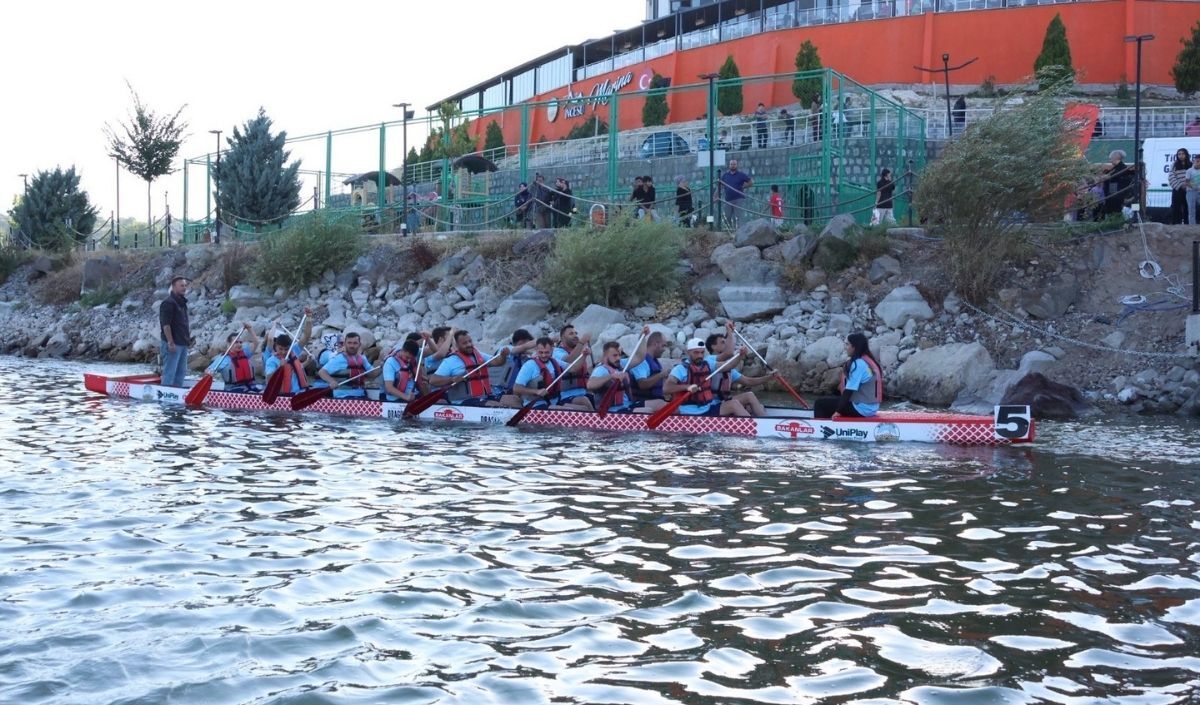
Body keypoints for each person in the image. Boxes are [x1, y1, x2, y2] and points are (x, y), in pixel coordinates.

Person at [662, 338, 756, 417]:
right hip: (689, 412)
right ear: (688, 352)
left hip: (707, 408)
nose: (700, 356)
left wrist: (740, 356)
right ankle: (754, 427)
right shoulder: (680, 369)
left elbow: (728, 365)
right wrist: (687, 387)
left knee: (734, 404)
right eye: (696, 353)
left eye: (702, 352)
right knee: (734, 405)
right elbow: (666, 388)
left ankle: (757, 424)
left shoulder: (708, 365)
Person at [429, 330, 510, 406]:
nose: (469, 345)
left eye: (470, 341)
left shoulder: (479, 355)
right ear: (457, 345)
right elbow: (433, 380)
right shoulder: (450, 361)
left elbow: (498, 362)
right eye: (464, 343)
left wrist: (503, 356)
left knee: (511, 399)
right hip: (463, 401)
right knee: (493, 404)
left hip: (484, 397)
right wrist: (451, 379)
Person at [586, 329, 658, 414]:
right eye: (615, 355)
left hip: (627, 405)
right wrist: (612, 376)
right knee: (647, 411)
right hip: (612, 411)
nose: (618, 358)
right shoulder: (601, 370)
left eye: (619, 355)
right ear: (605, 356)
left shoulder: (620, 365)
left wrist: (642, 337)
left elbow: (639, 357)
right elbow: (590, 385)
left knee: (660, 403)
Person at [512, 336, 593, 410]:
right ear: (536, 350)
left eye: (547, 352)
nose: (543, 355)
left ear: (552, 350)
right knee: (568, 409)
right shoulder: (529, 366)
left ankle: (597, 421)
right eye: (541, 352)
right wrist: (536, 391)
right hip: (536, 404)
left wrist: (584, 355)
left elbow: (574, 368)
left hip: (554, 401)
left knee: (583, 403)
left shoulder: (554, 361)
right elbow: (516, 388)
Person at [813, 332, 882, 419]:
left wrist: (838, 411)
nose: (846, 348)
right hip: (872, 408)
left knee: (820, 403)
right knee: (832, 400)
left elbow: (849, 391)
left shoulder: (858, 364)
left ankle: (819, 429)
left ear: (854, 347)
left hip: (861, 409)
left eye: (847, 345)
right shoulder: (869, 361)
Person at [704, 329, 769, 416]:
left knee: (750, 396)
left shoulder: (727, 367)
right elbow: (729, 354)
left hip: (722, 402)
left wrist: (770, 377)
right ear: (713, 347)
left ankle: (766, 423)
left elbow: (748, 381)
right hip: (710, 405)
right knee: (735, 404)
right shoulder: (708, 361)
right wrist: (729, 331)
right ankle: (754, 426)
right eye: (723, 342)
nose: (726, 344)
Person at [317, 331, 377, 399]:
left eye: (355, 343)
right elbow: (322, 372)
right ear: (345, 344)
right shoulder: (339, 358)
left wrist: (381, 365)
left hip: (360, 394)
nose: (352, 346)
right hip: (343, 396)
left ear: (359, 344)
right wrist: (332, 381)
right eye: (349, 343)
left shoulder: (362, 358)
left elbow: (373, 374)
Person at [158, 275, 191, 387]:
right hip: (173, 343)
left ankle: (177, 395)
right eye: (181, 285)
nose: (184, 288)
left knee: (181, 373)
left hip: (183, 343)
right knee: (170, 373)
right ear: (173, 287)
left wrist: (187, 341)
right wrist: (170, 342)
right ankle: (165, 394)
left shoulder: (182, 303)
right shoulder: (168, 303)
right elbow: (166, 325)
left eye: (185, 285)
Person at [552, 324, 594, 410]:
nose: (575, 336)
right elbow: (569, 361)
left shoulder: (579, 351)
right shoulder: (557, 352)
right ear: (563, 338)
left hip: (584, 392)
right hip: (565, 396)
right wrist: (581, 342)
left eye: (576, 333)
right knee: (584, 401)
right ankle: (597, 422)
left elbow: (585, 373)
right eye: (571, 334)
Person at [212, 322, 261, 392]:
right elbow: (207, 371)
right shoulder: (223, 359)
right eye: (236, 342)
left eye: (240, 342)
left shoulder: (245, 353)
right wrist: (210, 373)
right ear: (229, 343)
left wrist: (249, 329)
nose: (239, 344)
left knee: (261, 391)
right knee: (248, 391)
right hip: (232, 389)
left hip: (249, 386)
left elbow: (256, 342)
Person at [629, 330, 672, 404]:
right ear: (656, 344)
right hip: (641, 401)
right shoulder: (641, 362)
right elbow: (642, 384)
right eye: (663, 346)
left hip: (655, 399)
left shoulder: (654, 361)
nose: (664, 349)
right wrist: (660, 375)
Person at [719, 159, 753, 229]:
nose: (733, 166)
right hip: (728, 199)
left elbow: (751, 182)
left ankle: (740, 231)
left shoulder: (741, 175)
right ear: (729, 165)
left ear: (737, 165)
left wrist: (743, 187)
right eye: (731, 164)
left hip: (738, 199)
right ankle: (728, 231)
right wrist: (715, 195)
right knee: (727, 216)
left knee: (739, 217)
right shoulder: (725, 175)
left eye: (734, 164)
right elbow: (720, 186)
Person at [1101, 150, 1134, 218]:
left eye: (1110, 158)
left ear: (1115, 158)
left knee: (1115, 215)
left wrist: (1105, 177)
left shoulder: (1121, 169)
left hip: (1116, 198)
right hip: (1113, 197)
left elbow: (1113, 178)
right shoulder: (1116, 169)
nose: (1110, 160)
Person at [1169, 148, 1192, 225]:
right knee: (1176, 208)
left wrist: (1188, 186)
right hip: (1178, 190)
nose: (1181, 156)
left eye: (1183, 154)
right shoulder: (1174, 165)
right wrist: (1180, 185)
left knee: (1188, 208)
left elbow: (1194, 176)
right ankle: (1176, 224)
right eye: (1179, 154)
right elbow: (1171, 177)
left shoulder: (1191, 165)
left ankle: (1187, 224)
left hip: (1189, 190)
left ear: (1186, 155)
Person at [1187, 154, 1200, 227]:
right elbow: (1187, 182)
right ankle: (1192, 227)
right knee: (1192, 209)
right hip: (1191, 192)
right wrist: (1195, 187)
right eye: (1197, 161)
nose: (1199, 163)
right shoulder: (1190, 171)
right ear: (1194, 161)